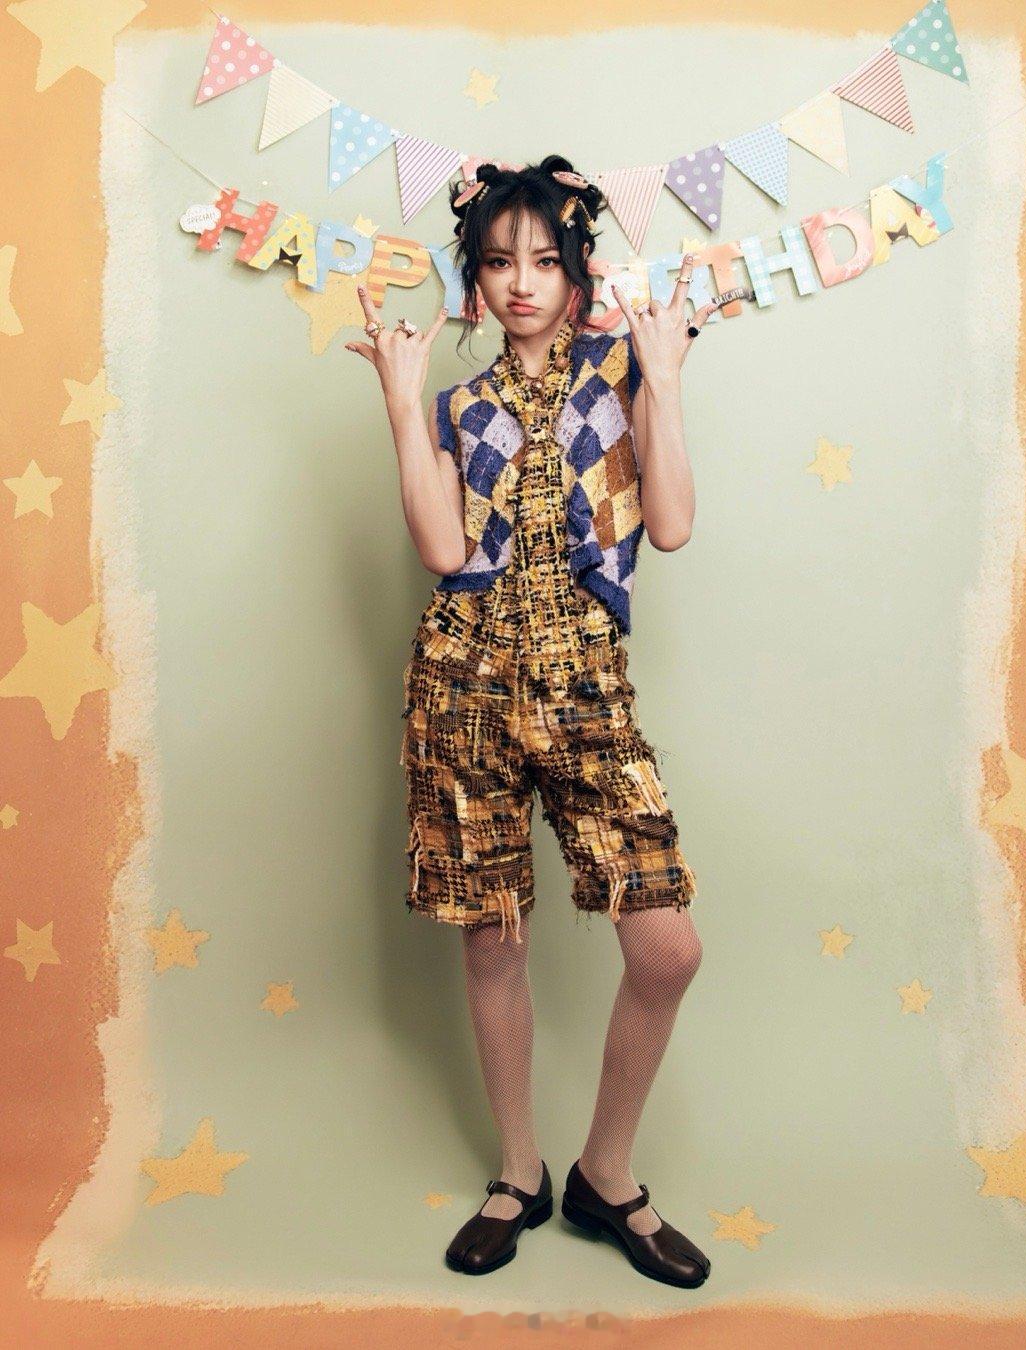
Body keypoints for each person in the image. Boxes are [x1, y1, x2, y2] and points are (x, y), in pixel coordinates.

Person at [346, 154, 723, 1288]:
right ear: (475, 279)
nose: (522, 282)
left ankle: (608, 1174)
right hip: (464, 686)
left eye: (545, 261)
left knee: (667, 947)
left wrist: (667, 383)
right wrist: (402, 407)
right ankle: (520, 1173)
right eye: (501, 261)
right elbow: (443, 551)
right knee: (494, 938)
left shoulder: (623, 373)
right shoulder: (459, 408)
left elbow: (670, 526)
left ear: (577, 276)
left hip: (586, 688)